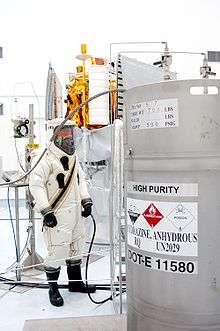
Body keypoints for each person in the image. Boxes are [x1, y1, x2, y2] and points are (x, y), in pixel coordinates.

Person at [29, 119, 96, 307]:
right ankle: (53, 288)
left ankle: (75, 283)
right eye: (65, 135)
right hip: (57, 216)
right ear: (55, 135)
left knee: (77, 247)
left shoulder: (73, 159)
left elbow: (81, 180)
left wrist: (86, 200)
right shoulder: (45, 159)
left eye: (71, 134)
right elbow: (36, 185)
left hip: (75, 214)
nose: (69, 139)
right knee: (57, 250)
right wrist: (45, 210)